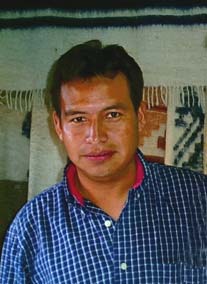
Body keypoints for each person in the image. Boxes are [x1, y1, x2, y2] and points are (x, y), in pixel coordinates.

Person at [0, 40, 207, 283]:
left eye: (112, 115)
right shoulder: (30, 228)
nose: (96, 136)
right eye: (78, 119)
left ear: (140, 117)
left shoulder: (199, 198)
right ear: (58, 126)